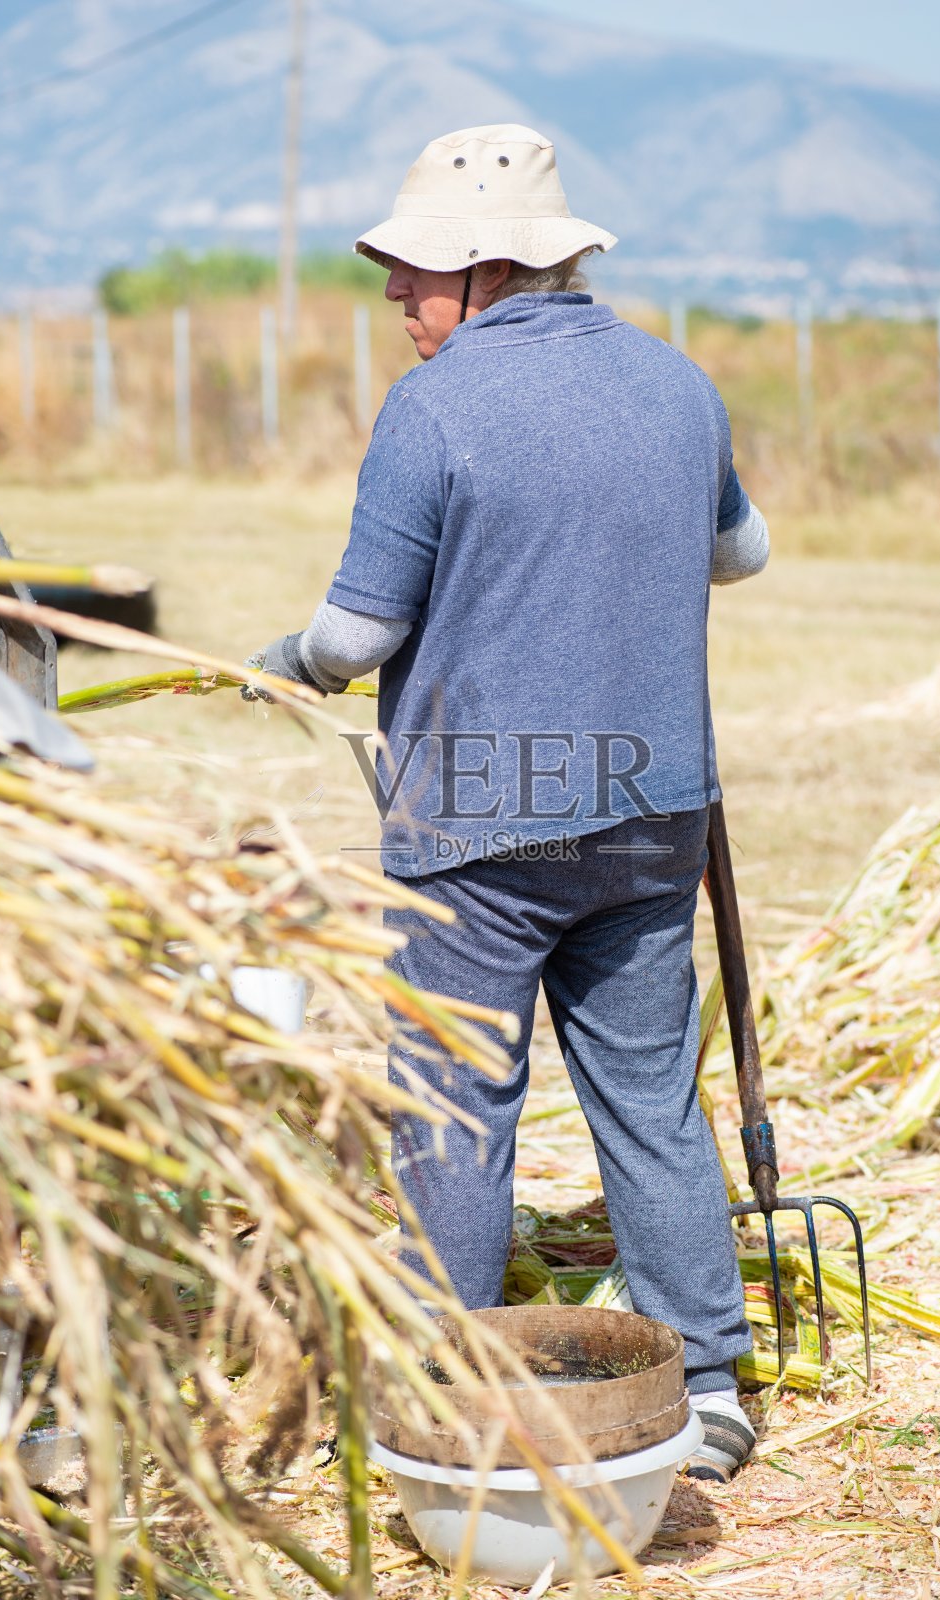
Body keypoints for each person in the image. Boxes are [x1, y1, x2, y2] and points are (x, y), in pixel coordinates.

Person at [250, 124, 770, 1482]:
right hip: (655, 810)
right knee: (651, 1097)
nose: (393, 301)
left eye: (411, 274)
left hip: (478, 817)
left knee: (451, 1102)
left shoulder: (434, 408)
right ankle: (706, 1388)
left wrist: (284, 666)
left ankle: (445, 1382)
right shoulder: (677, 381)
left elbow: (358, 637)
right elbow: (744, 553)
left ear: (485, 269)